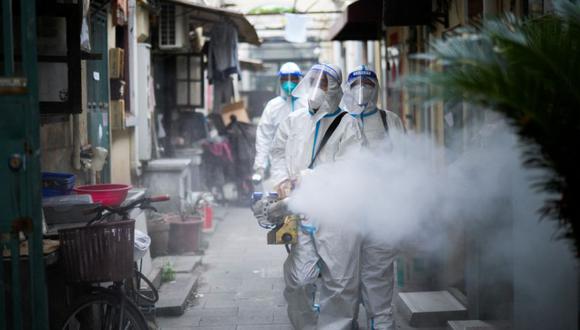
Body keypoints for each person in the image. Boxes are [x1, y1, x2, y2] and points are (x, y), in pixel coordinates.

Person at [270, 63, 363, 330]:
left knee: (340, 282)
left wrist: (309, 178)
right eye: (313, 82)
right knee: (299, 279)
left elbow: (350, 168)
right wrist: (280, 179)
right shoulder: (294, 120)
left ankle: (338, 326)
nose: (316, 89)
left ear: (335, 90)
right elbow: (277, 152)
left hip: (337, 215)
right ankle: (306, 325)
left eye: (323, 84)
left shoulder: (348, 125)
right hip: (302, 211)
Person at [342, 65, 405, 330]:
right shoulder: (338, 121)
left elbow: (404, 164)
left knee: (378, 274)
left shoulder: (390, 121)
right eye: (357, 84)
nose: (362, 90)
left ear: (376, 88)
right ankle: (348, 321)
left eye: (368, 84)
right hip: (344, 213)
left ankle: (381, 322)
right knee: (344, 276)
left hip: (382, 212)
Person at [253, 62, 307, 183]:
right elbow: (264, 137)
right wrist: (260, 166)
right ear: (280, 81)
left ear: (300, 80)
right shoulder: (273, 106)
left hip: (305, 161)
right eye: (284, 79)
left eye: (293, 79)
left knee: (305, 197)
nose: (289, 82)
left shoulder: (309, 104)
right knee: (282, 197)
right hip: (280, 162)